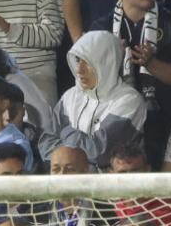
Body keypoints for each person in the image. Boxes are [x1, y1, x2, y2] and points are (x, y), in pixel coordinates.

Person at [43, 30, 147, 168]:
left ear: (107, 63)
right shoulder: (70, 96)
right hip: (67, 180)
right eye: (78, 60)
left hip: (109, 185)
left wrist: (65, 131)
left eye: (88, 63)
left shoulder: (129, 101)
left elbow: (99, 153)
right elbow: (45, 144)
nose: (79, 70)